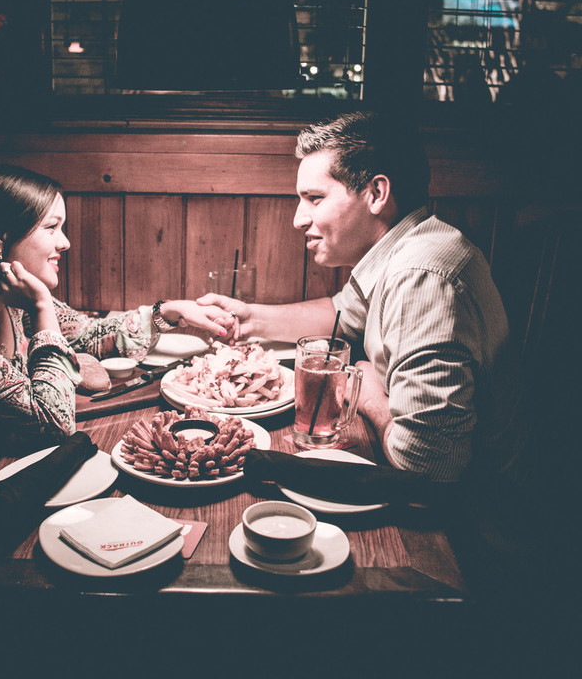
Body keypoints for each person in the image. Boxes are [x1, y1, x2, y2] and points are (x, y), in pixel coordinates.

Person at [199, 112, 515, 481]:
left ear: (377, 194)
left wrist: (367, 397)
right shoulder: (409, 246)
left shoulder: (421, 277)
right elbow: (340, 313)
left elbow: (427, 464)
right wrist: (248, 317)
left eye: (315, 198)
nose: (298, 220)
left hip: (473, 520)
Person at [0, 165, 233, 454]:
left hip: (5, 464)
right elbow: (53, 423)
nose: (65, 242)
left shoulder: (9, 297)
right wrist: (42, 306)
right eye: (51, 227)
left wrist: (170, 312)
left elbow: (92, 336)